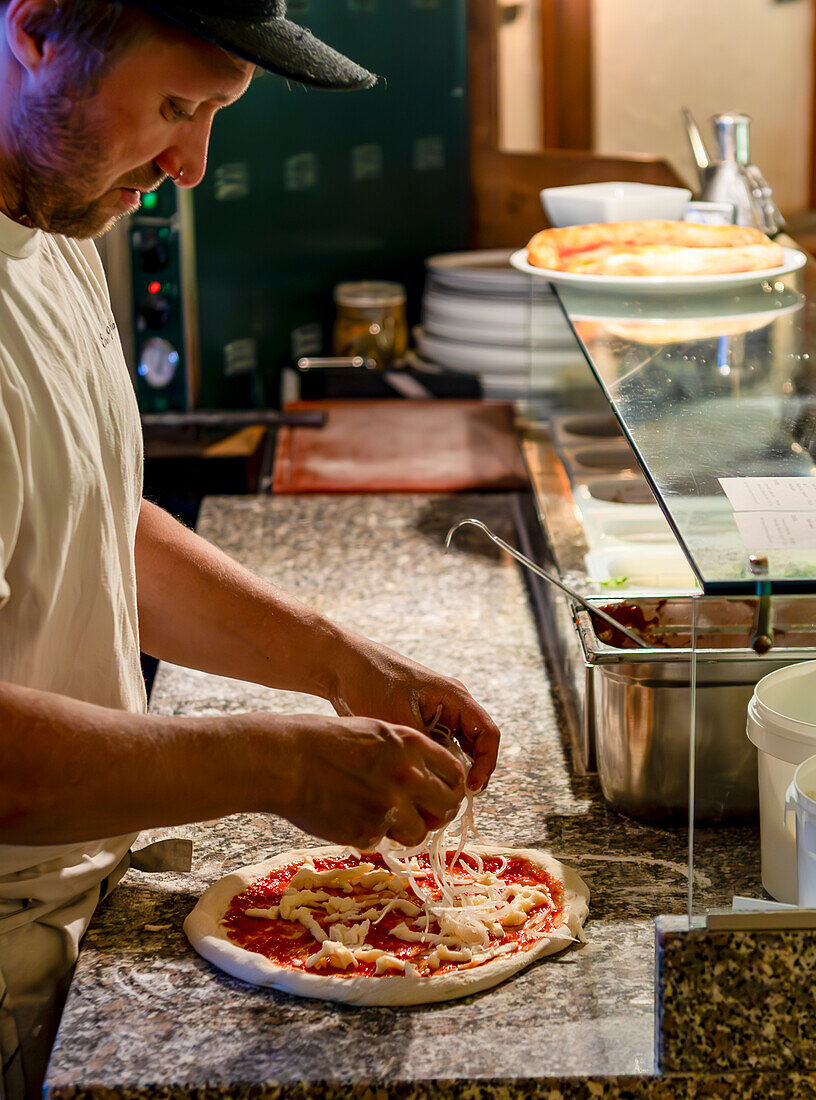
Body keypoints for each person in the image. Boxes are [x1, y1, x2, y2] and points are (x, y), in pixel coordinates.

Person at [0, 1, 501, 1095]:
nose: (191, 163)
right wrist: (270, 760)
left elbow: (85, 516)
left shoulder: (53, 211)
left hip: (75, 900)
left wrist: (336, 660)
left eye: (216, 113)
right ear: (35, 30)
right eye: (178, 106)